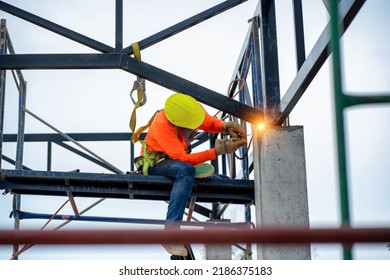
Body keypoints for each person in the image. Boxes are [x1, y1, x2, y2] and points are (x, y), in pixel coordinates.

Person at [136, 93, 247, 256]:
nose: (196, 129)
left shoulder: (190, 110)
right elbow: (183, 159)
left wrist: (225, 126)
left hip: (175, 162)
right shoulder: (162, 125)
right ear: (178, 122)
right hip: (157, 164)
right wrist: (217, 151)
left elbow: (208, 122)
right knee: (185, 170)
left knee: (223, 182)